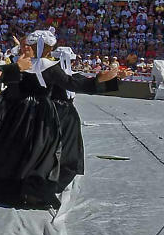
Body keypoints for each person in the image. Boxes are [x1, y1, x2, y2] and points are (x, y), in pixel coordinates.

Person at [0, 30, 74, 209]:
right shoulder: (26, 65)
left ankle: (24, 190)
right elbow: (71, 85)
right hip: (30, 112)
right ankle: (21, 191)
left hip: (29, 112)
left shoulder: (45, 66)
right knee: (28, 150)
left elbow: (71, 84)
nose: (25, 48)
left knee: (30, 150)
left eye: (28, 46)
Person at [48, 45, 122, 195]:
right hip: (51, 114)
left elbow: (90, 87)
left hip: (67, 116)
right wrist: (101, 79)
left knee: (70, 151)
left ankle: (58, 180)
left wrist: (117, 80)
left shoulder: (72, 75)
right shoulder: (52, 74)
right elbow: (83, 85)